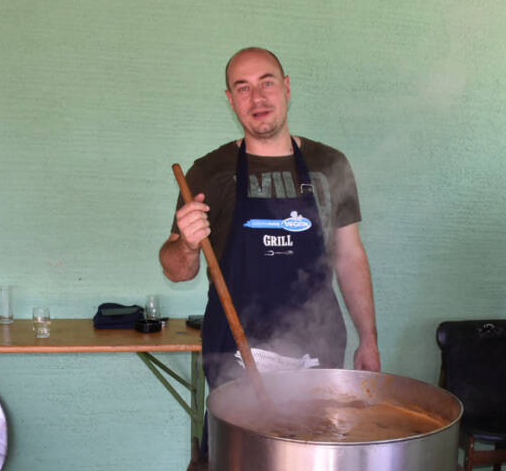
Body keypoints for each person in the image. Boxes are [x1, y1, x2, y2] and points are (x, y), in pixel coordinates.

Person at [160, 47, 381, 398]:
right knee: (240, 453)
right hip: (233, 357)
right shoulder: (209, 172)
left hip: (317, 353)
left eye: (267, 83)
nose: (257, 98)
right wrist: (186, 245)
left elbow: (350, 256)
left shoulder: (329, 165)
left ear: (287, 87)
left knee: (312, 448)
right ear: (231, 100)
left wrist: (368, 339)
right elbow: (177, 271)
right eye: (243, 88)